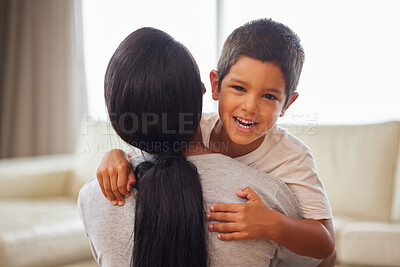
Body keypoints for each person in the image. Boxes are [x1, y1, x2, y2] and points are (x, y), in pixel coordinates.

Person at [95, 19, 336, 265]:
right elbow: (150, 141)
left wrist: (273, 224)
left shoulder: (292, 156)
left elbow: (326, 243)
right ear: (215, 85)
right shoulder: (195, 127)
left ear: (287, 104)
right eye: (239, 88)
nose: (250, 107)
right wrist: (116, 155)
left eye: (268, 96)